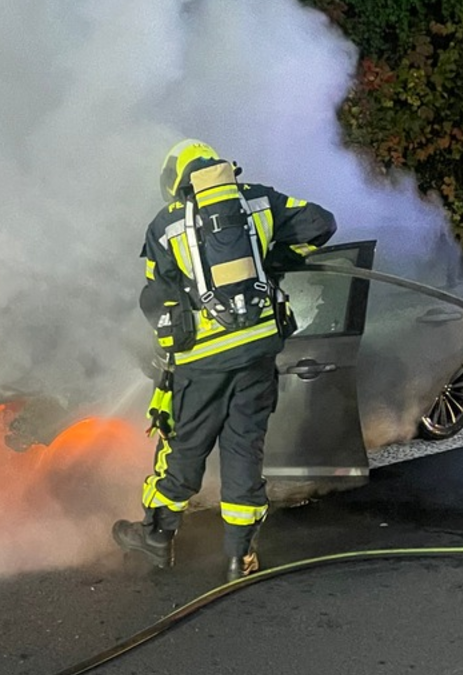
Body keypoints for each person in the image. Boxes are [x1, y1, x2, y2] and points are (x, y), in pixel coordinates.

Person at [112, 139, 337, 582]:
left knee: (184, 448)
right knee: (243, 449)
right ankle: (240, 558)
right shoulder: (258, 200)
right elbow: (321, 224)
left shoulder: (166, 225)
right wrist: (272, 260)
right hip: (257, 352)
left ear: (176, 180)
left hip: (201, 363)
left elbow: (155, 296)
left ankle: (157, 536)